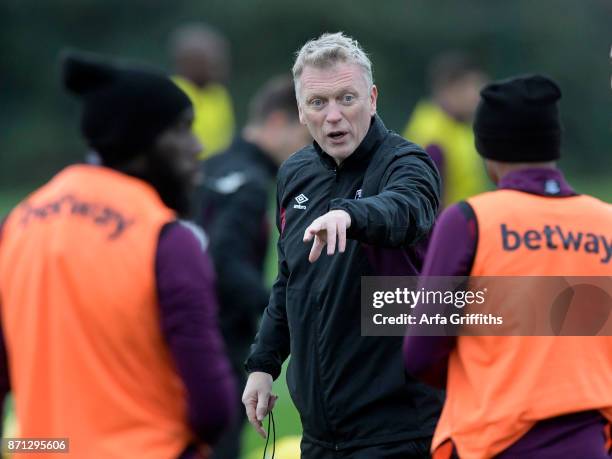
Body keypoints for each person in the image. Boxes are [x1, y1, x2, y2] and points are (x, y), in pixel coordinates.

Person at [0, 51, 237, 458]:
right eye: (182, 130)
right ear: (142, 143)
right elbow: (212, 407)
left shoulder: (17, 225)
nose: (196, 147)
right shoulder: (167, 238)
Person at [242, 32, 443, 458]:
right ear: (300, 110)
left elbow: (407, 209)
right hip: (321, 437)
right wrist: (263, 364)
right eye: (318, 103)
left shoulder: (407, 162)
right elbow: (288, 281)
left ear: (372, 98)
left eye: (347, 99)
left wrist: (352, 215)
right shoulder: (295, 173)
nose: (333, 116)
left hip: (398, 433)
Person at [403, 75, 612, 458]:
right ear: (555, 142)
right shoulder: (606, 221)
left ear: (486, 150)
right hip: (589, 442)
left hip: (491, 440)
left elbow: (420, 351)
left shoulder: (470, 220)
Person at [198, 75, 310, 459]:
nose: (308, 149)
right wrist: (280, 309)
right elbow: (222, 261)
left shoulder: (207, 167)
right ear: (278, 122)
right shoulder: (249, 183)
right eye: (305, 136)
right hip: (221, 338)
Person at [402, 52, 488, 207]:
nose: (477, 96)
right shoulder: (432, 136)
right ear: (449, 89)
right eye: (472, 86)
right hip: (448, 228)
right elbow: (428, 204)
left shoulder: (460, 126)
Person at [170, 23, 235, 159]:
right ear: (188, 63)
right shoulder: (172, 95)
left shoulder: (219, 94)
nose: (220, 67)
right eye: (213, 63)